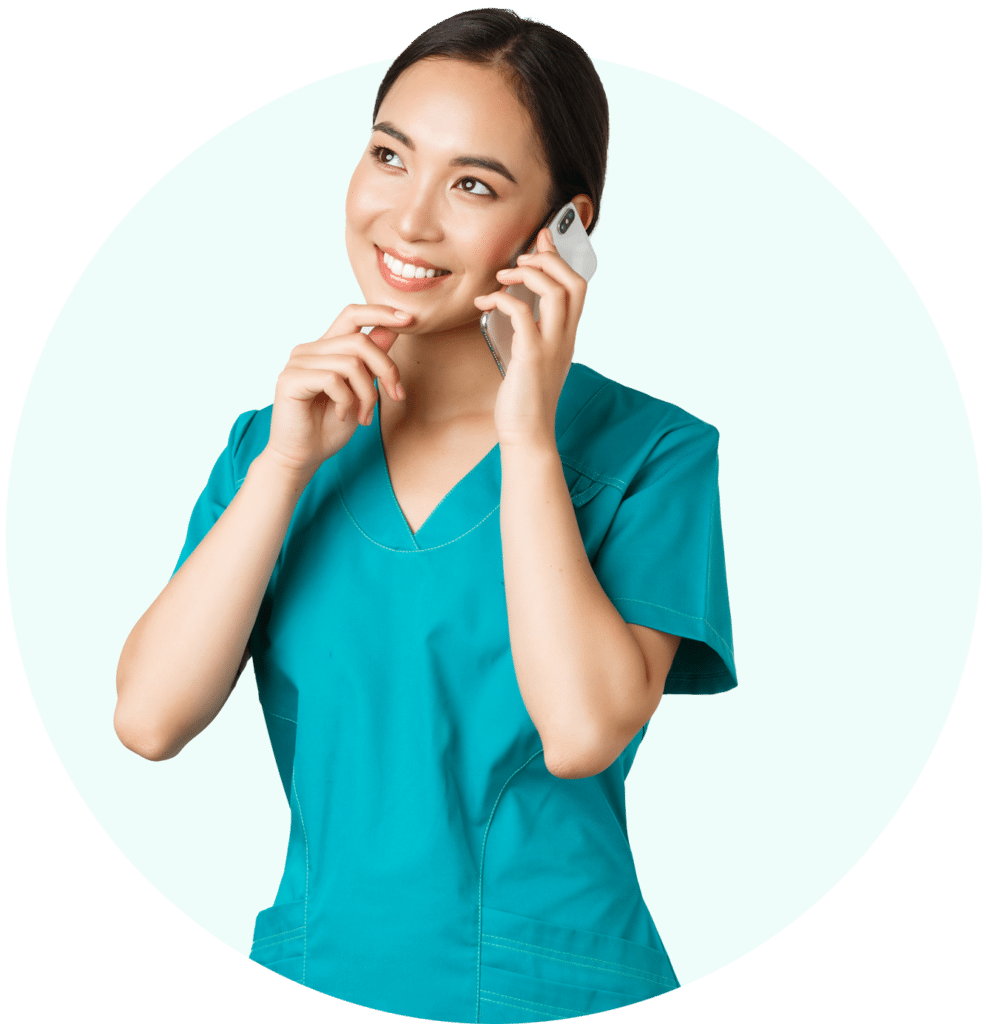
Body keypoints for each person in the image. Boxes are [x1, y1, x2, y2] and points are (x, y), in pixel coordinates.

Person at [115, 8, 737, 1022]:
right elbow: (147, 719)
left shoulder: (650, 455)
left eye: (473, 184)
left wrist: (527, 433)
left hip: (553, 989)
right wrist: (282, 466)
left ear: (561, 229)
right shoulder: (271, 443)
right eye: (388, 156)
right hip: (316, 969)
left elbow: (580, 730)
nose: (406, 221)